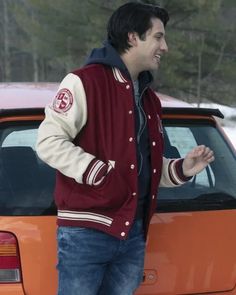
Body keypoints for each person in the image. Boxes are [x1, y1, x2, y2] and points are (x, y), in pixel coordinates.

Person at [36, 2, 214, 295]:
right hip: (86, 233)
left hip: (132, 232)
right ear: (133, 37)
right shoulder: (83, 82)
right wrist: (99, 173)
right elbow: (48, 142)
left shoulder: (149, 99)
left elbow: (142, 165)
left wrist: (182, 168)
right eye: (158, 37)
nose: (165, 47)